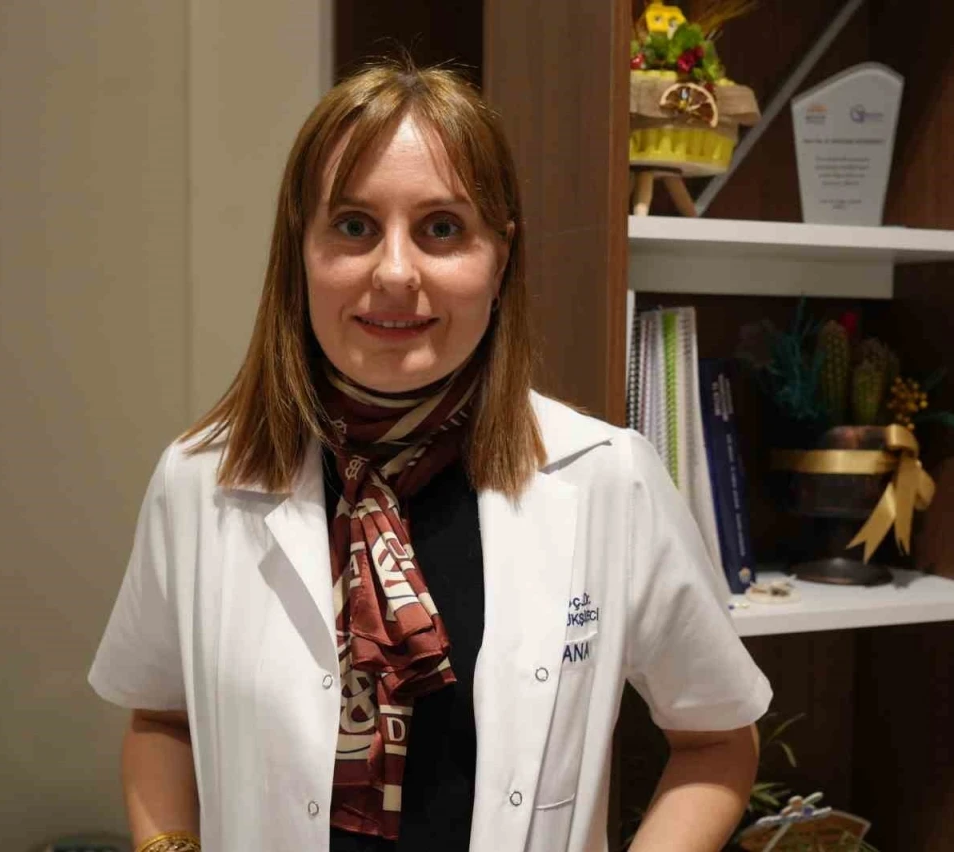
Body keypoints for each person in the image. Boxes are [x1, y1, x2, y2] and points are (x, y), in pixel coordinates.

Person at [89, 59, 772, 852]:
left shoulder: (606, 479)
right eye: (353, 226)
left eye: (442, 228)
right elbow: (160, 719)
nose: (394, 272)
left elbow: (717, 740)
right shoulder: (200, 480)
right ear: (300, 252)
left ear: (500, 256)